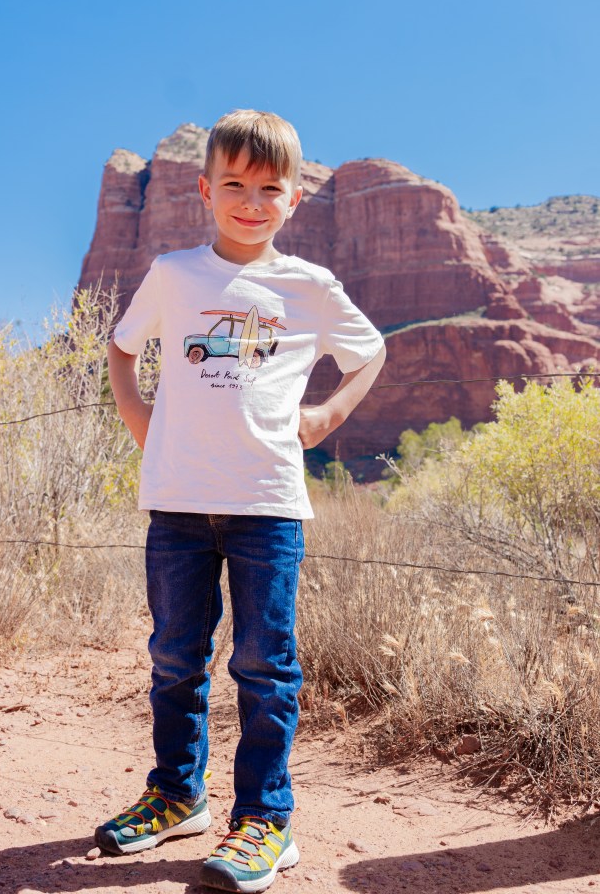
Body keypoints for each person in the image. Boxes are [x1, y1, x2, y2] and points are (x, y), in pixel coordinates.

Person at [94, 109, 387, 892]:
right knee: (174, 657)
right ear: (203, 190)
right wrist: (138, 418)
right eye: (234, 186)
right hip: (178, 502)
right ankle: (176, 795)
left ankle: (264, 820)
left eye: (268, 189)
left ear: (294, 198)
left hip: (267, 504)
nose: (251, 203)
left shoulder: (309, 286)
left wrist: (327, 415)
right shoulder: (175, 273)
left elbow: (368, 352)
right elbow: (122, 347)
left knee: (264, 665)